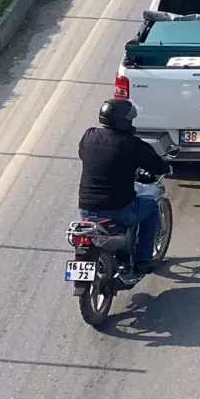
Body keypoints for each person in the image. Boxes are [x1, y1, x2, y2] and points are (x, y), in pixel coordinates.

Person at [78, 99, 167, 275]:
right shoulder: (131, 144)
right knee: (151, 208)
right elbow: (157, 165)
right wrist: (166, 168)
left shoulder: (89, 136)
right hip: (118, 210)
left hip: (85, 210)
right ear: (123, 121)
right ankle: (143, 260)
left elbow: (84, 154)